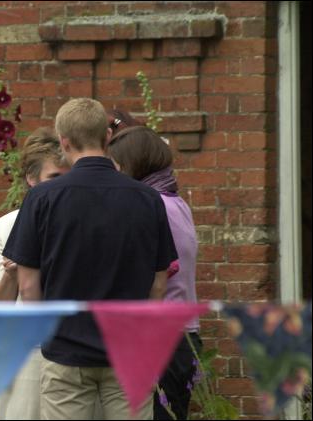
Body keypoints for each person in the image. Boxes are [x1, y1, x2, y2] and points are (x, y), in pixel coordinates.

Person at [3, 98, 178, 420]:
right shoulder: (147, 199)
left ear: (64, 142)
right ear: (107, 137)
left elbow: (28, 287)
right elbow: (158, 283)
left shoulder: (42, 197)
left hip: (65, 350)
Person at [107, 125, 202, 421]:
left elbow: (145, 273)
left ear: (129, 165)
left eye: (114, 166)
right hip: (184, 332)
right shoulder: (176, 201)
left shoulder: (152, 206)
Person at [0, 127, 70, 420]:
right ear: (31, 179)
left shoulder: (82, 219)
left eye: (67, 176)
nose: (63, 186)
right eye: (54, 178)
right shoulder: (8, 225)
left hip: (74, 349)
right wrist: (11, 274)